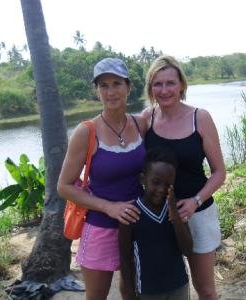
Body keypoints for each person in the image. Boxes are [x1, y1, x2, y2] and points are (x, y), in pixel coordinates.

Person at [57, 57, 147, 300]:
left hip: (139, 223)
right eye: (103, 85)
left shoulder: (141, 124)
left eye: (117, 83)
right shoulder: (86, 131)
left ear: (129, 87)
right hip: (100, 226)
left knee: (132, 291)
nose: (111, 91)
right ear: (96, 91)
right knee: (97, 296)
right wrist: (109, 207)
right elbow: (64, 186)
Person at [142, 55, 226, 300]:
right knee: (170, 287)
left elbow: (219, 172)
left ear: (182, 85)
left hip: (197, 214)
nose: (164, 90)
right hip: (158, 216)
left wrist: (195, 201)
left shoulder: (200, 118)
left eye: (170, 83)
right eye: (158, 84)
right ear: (150, 88)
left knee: (205, 289)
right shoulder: (147, 118)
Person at [119, 147, 193, 300]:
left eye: (168, 184)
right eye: (156, 182)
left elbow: (187, 249)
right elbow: (125, 258)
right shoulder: (131, 213)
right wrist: (130, 294)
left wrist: (175, 217)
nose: (161, 189)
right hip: (148, 290)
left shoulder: (177, 208)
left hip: (179, 285)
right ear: (142, 179)